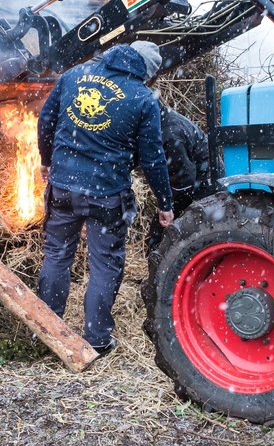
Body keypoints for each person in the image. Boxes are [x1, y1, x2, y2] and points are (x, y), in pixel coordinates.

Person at [36, 40, 174, 355]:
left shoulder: (74, 75)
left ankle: (45, 330)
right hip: (107, 195)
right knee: (105, 265)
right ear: (146, 72)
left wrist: (47, 160)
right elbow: (153, 159)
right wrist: (165, 203)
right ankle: (97, 338)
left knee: (57, 254)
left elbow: (45, 122)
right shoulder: (141, 98)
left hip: (64, 187)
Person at [143, 75, 211, 253]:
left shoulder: (171, 134)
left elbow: (184, 182)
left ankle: (162, 264)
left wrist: (167, 204)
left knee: (162, 233)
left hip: (202, 184)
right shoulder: (160, 119)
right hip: (190, 178)